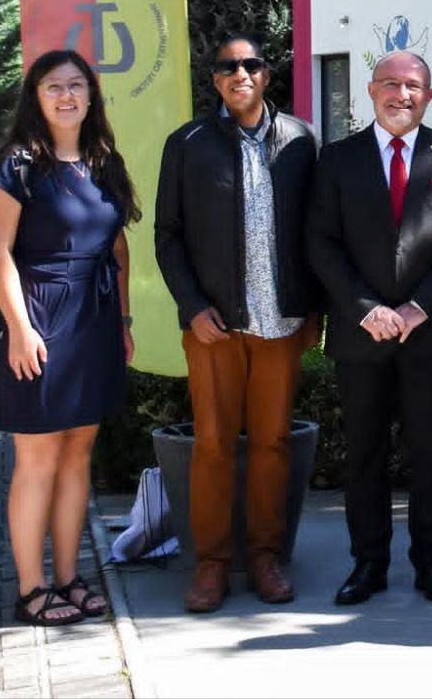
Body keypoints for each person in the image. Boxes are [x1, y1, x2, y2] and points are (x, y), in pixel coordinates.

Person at [308, 50, 432, 606]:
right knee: (364, 452)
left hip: (430, 334)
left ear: (428, 96)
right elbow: (321, 242)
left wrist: (416, 308)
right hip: (361, 334)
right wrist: (367, 308)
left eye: (412, 85)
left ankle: (431, 560)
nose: (400, 94)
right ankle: (369, 562)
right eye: (390, 83)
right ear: (370, 90)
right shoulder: (337, 159)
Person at [153, 34, 320, 612]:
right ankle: (212, 564)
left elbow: (317, 231)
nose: (240, 73)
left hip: (282, 321)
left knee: (273, 443)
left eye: (251, 65)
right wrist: (192, 306)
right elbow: (168, 236)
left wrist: (314, 310)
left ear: (266, 75)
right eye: (228, 66)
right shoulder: (188, 144)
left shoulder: (301, 140)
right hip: (215, 325)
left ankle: (267, 558)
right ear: (216, 80)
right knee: (213, 446)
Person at [0, 49, 139, 627]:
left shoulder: (103, 162)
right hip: (41, 319)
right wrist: (20, 330)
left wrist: (123, 322)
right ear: (36, 97)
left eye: (76, 85)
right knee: (39, 458)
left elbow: (117, 247)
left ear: (91, 95)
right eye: (54, 86)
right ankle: (32, 590)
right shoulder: (17, 168)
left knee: (77, 456)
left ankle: (69, 579)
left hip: (94, 322)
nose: (67, 95)